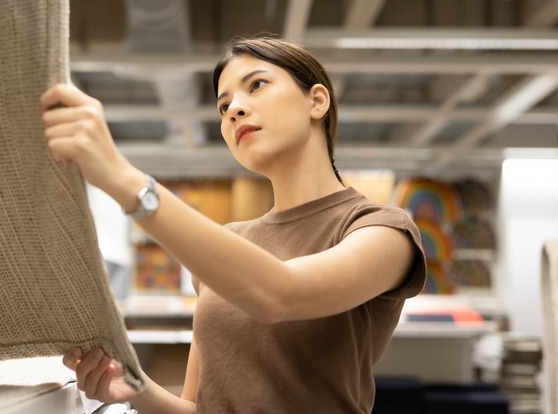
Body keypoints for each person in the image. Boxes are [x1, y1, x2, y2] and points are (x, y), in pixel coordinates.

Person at [40, 36, 426, 413]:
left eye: (256, 85)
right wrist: (136, 387)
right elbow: (196, 407)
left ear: (317, 100)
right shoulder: (229, 242)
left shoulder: (382, 230)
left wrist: (122, 179)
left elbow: (280, 294)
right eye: (223, 107)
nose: (234, 110)